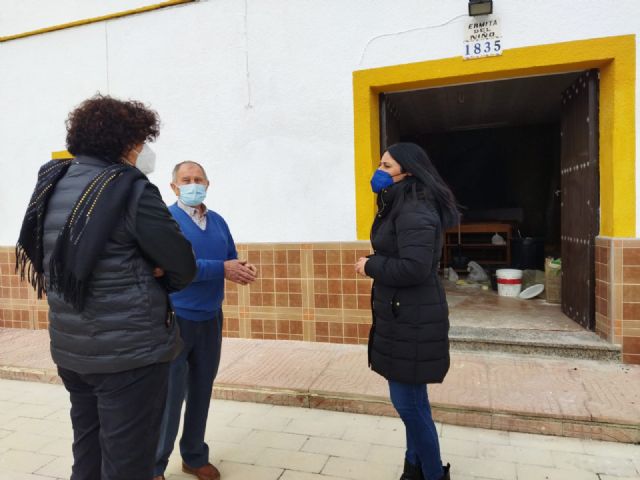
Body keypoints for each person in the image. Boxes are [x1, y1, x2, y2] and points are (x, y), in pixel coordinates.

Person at [16, 94, 197, 480]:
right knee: (128, 462)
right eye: (140, 140)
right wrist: (163, 273)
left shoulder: (53, 181)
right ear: (125, 142)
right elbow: (182, 263)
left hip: (73, 350)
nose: (143, 150)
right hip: (129, 354)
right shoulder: (130, 189)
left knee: (89, 451)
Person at [355, 142, 459, 480]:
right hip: (403, 315)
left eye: (386, 166)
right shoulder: (401, 201)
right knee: (414, 402)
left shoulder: (414, 207)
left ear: (408, 171)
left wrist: (371, 264)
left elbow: (414, 268)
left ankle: (431, 473)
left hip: (412, 317)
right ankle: (414, 466)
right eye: (380, 164)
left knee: (408, 405)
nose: (379, 171)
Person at [153, 161, 257, 480]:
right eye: (186, 180)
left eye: (198, 179)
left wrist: (241, 269)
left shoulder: (218, 222)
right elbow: (170, 269)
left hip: (211, 318)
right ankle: (154, 465)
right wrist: (221, 269)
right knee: (169, 397)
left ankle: (195, 456)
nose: (193, 184)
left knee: (201, 389)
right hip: (175, 319)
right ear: (173, 187)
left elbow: (228, 259)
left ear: (208, 184)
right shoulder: (165, 221)